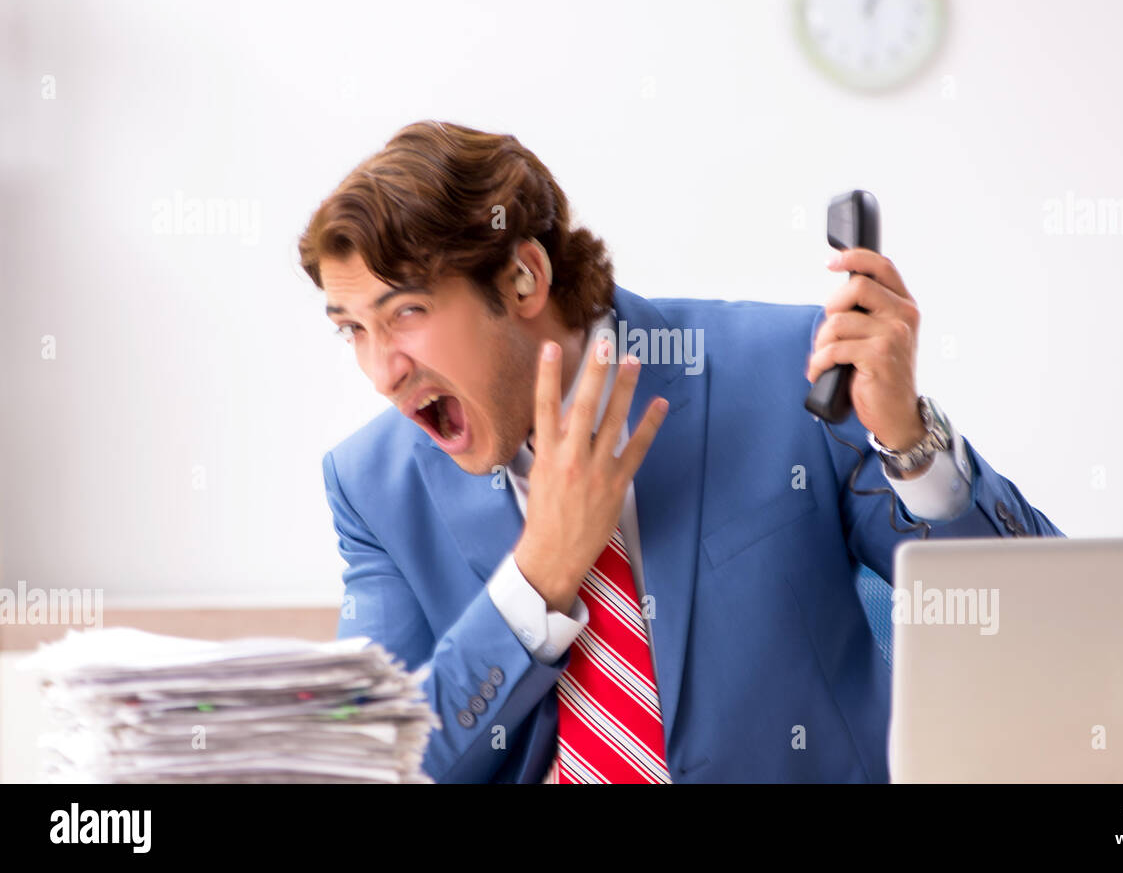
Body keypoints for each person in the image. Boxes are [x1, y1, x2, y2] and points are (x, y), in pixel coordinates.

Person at [298, 120, 1065, 783]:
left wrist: (906, 441)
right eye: (352, 328)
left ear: (524, 277)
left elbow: (1029, 620)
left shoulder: (786, 372)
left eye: (405, 313)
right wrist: (537, 581)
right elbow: (374, 764)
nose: (380, 370)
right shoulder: (372, 485)